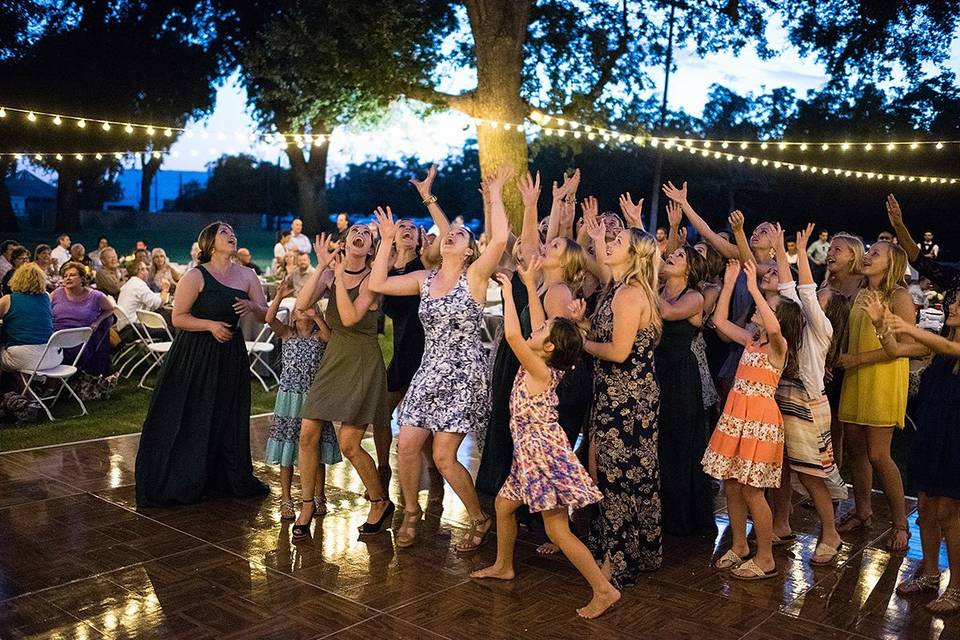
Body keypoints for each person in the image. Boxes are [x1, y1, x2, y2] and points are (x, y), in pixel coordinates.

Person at [368, 165, 511, 551]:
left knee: (446, 457)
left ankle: (479, 518)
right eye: (448, 234)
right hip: (429, 370)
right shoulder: (423, 280)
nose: (451, 236)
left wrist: (495, 194)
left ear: (468, 251)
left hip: (464, 373)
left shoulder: (476, 275)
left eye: (460, 235)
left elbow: (499, 238)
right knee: (408, 444)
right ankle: (411, 514)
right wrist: (384, 241)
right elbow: (377, 283)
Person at [470, 272, 617, 620]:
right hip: (530, 453)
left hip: (542, 454)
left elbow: (510, 334)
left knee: (557, 529)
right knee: (505, 507)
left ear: (548, 347)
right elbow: (536, 325)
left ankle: (604, 589)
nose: (534, 331)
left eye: (540, 332)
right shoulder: (545, 359)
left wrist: (508, 292)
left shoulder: (537, 367)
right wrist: (530, 282)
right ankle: (504, 565)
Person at [135, 222, 270, 507]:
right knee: (193, 413)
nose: (232, 235)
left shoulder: (247, 275)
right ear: (209, 242)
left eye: (234, 231)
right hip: (195, 354)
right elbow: (178, 317)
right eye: (224, 232)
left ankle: (221, 475)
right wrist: (209, 325)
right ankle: (185, 475)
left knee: (226, 412)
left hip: (229, 353)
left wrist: (253, 308)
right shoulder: (196, 276)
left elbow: (264, 315)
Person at [703, 260, 800, 581]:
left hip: (759, 421)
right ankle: (740, 545)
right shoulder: (751, 339)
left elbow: (773, 328)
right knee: (731, 484)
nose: (760, 308)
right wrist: (730, 282)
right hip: (737, 417)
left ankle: (766, 557)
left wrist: (757, 290)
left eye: (768, 307)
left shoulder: (778, 345)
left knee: (752, 490)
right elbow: (718, 321)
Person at [293, 225, 391, 540]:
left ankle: (380, 501)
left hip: (363, 361)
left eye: (366, 233)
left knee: (349, 444)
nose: (360, 234)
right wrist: (322, 266)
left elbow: (349, 318)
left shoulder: (373, 280)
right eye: (355, 232)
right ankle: (307, 504)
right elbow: (301, 304)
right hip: (334, 358)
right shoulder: (330, 273)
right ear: (345, 242)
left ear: (371, 246)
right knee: (307, 433)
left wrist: (334, 279)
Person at [582, 224, 663, 586]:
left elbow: (618, 351)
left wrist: (582, 343)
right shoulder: (616, 288)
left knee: (618, 477)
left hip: (628, 401)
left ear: (634, 255)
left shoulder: (629, 294)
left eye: (618, 242)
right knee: (622, 473)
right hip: (617, 393)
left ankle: (618, 562)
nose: (611, 244)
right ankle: (633, 551)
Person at [836, 217, 923, 552]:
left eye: (876, 252)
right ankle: (863, 511)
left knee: (879, 454)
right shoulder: (861, 291)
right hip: (856, 377)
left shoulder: (899, 296)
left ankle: (900, 523)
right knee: (856, 449)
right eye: (869, 251)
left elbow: (905, 347)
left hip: (883, 378)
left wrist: (855, 360)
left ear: (892, 263)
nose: (869, 255)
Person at [769, 224, 843, 566]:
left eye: (819, 298)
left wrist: (799, 253)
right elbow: (790, 291)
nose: (811, 297)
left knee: (812, 476)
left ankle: (831, 534)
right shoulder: (797, 325)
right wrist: (787, 254)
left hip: (809, 407)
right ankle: (781, 524)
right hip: (784, 399)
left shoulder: (822, 329)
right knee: (781, 467)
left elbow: (806, 294)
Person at [263, 278, 341, 520]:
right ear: (293, 316)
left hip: (314, 398)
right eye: (299, 308)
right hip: (289, 399)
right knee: (287, 448)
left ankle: (319, 494)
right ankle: (286, 499)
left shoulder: (319, 337)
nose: (303, 310)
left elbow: (330, 338)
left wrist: (318, 316)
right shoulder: (287, 334)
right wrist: (278, 296)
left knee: (315, 448)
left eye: (308, 306)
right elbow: (268, 319)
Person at [656, 240, 715, 536]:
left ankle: (681, 517)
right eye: (671, 253)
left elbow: (667, 314)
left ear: (690, 268)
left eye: (679, 255)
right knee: (659, 444)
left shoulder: (694, 297)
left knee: (680, 445)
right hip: (657, 371)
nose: (670, 256)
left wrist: (642, 277)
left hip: (681, 376)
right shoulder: (657, 291)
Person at [51, 261, 116, 377]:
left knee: (76, 352)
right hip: (55, 337)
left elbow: (110, 309)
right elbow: (45, 311)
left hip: (80, 338)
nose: (68, 278)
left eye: (72, 275)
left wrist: (97, 321)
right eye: (65, 276)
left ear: (82, 278)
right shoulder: (56, 294)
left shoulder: (96, 296)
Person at [0, 263, 60, 372]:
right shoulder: (46, 297)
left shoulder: (7, 299)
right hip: (53, 357)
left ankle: (16, 387)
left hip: (23, 357)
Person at [116, 260, 171, 340]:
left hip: (125, 328)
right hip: (133, 329)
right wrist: (165, 289)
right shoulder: (138, 285)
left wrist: (161, 294)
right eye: (145, 269)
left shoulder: (130, 284)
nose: (147, 272)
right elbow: (157, 304)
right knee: (170, 329)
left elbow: (150, 297)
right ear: (140, 270)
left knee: (163, 314)